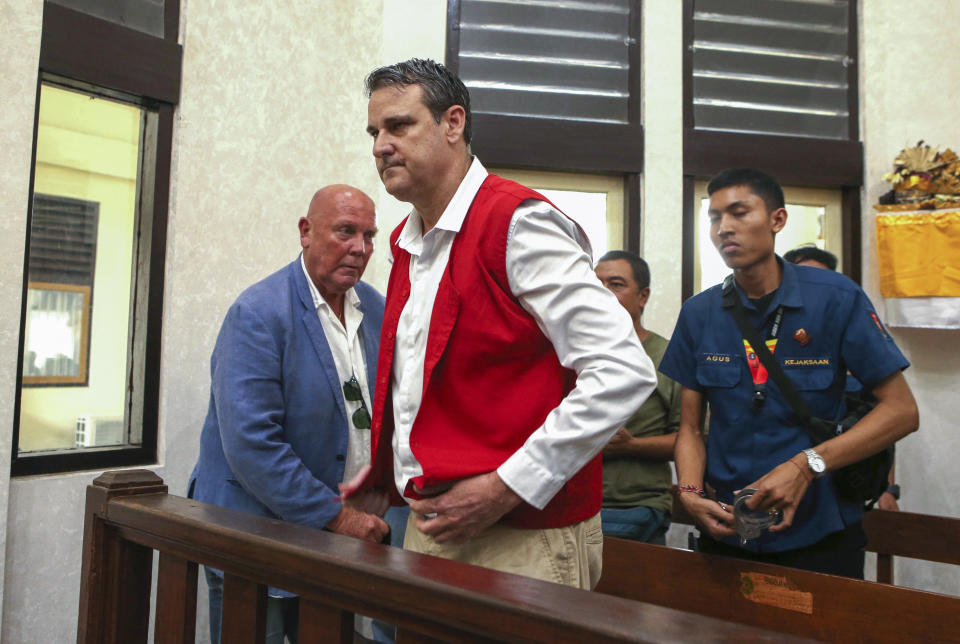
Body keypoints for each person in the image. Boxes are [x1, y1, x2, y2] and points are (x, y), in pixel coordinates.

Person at [344, 58, 656, 590]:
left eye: (399, 126)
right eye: (375, 132)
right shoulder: (407, 242)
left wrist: (508, 485)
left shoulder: (518, 223)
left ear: (453, 123)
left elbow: (623, 369)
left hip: (521, 537)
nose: (379, 145)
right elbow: (424, 383)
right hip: (432, 525)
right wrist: (387, 476)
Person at [659, 168, 919, 579]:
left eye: (739, 213)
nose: (724, 228)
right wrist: (689, 493)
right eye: (714, 217)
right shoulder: (700, 313)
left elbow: (902, 411)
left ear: (777, 220)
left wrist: (806, 464)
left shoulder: (835, 297)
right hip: (726, 529)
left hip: (820, 533)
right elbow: (690, 428)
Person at [188, 185, 395, 644]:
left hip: (337, 544)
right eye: (345, 231)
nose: (360, 249)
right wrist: (336, 517)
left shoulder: (379, 310)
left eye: (368, 235)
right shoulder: (258, 313)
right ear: (306, 231)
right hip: (256, 538)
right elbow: (251, 443)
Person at [783, 245, 902, 512]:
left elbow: (886, 422)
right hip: (777, 483)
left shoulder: (854, 341)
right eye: (804, 278)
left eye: (822, 280)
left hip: (841, 488)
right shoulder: (768, 337)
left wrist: (886, 488)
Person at [594, 250, 681, 544]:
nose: (603, 293)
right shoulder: (569, 353)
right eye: (595, 284)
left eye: (616, 284)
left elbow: (692, 438)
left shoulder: (668, 356)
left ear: (643, 296)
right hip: (568, 503)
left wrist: (631, 445)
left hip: (633, 507)